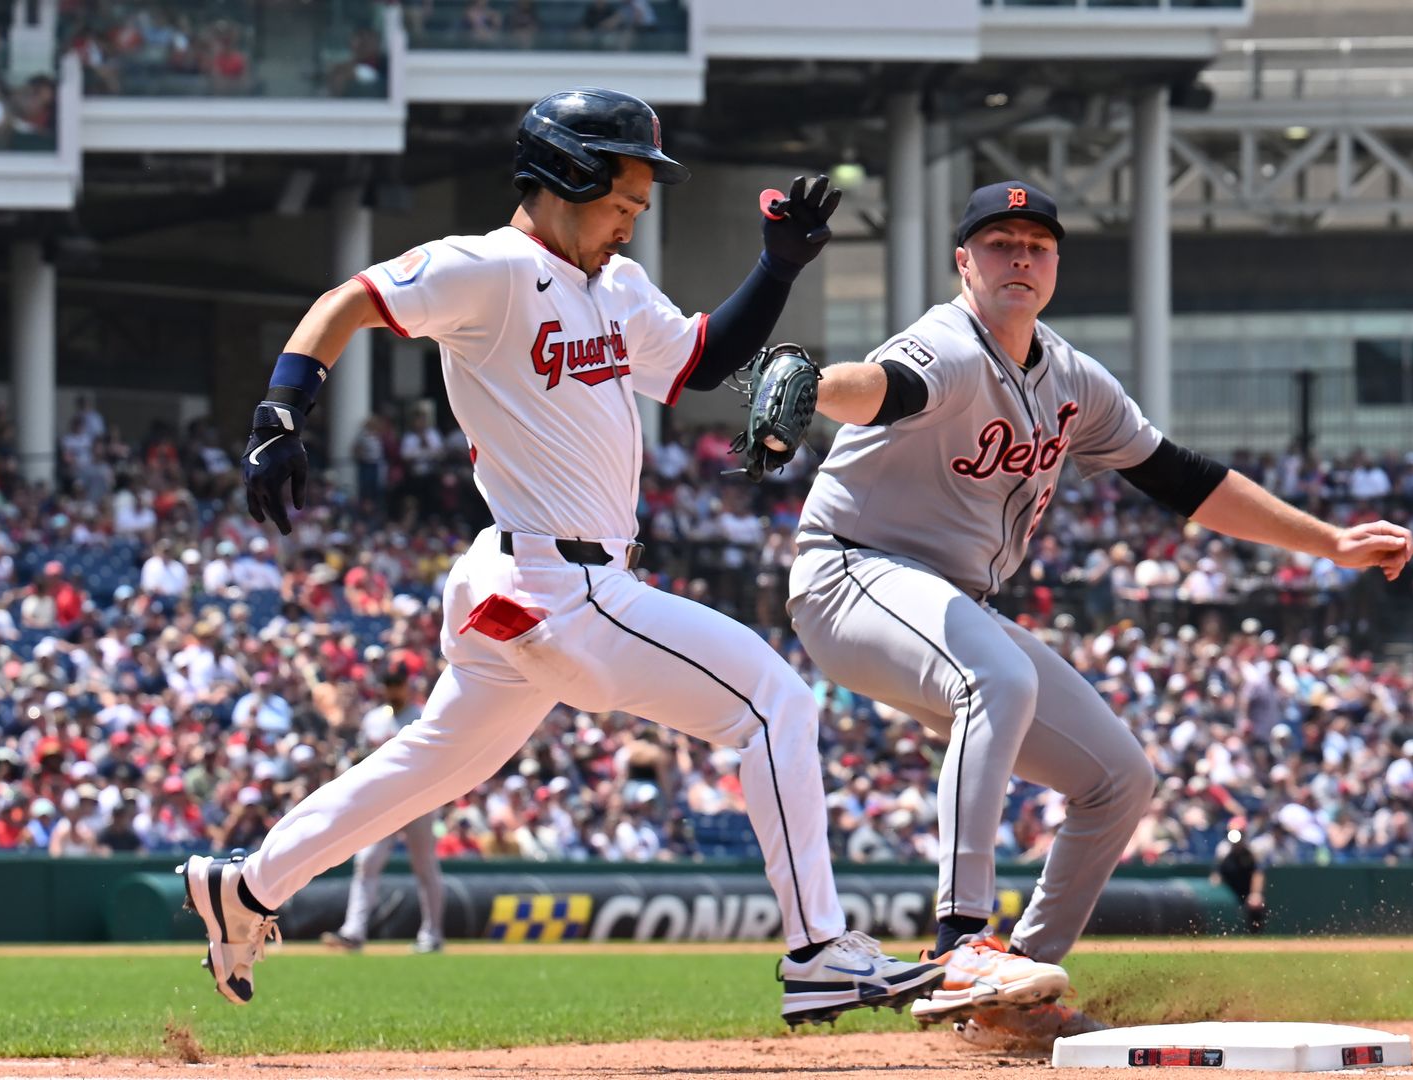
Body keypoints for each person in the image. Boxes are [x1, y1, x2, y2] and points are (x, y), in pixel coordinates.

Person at [180, 87, 940, 1026]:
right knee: (773, 702)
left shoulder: (613, 287)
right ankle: (821, 949)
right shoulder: (489, 268)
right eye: (622, 200)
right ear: (568, 176)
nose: (631, 221)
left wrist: (777, 268)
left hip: (535, 583)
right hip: (556, 581)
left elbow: (698, 362)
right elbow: (352, 301)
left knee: (432, 768)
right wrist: (280, 413)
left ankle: (249, 888)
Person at [783, 180, 1413, 1042]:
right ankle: (963, 941)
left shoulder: (1072, 376)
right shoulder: (949, 345)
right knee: (995, 672)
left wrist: (1330, 544)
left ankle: (1006, 1004)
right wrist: (815, 385)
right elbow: (884, 389)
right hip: (849, 575)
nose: (1020, 258)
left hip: (946, 603)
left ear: (1055, 268)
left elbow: (1184, 480)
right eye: (1000, 242)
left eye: (1037, 245)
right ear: (963, 261)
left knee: (1120, 780)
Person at [320, 671, 448, 954]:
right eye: (388, 686)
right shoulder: (375, 718)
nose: (393, 691)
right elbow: (363, 755)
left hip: (418, 798)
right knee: (366, 862)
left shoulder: (424, 713)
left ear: (407, 686)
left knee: (424, 865)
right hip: (384, 802)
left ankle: (433, 934)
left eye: (397, 686)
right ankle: (353, 932)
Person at [1210, 817, 1268, 934]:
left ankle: (1254, 938)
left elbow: (1258, 873)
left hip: (1246, 890)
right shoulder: (1223, 850)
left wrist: (1255, 893)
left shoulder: (1252, 850)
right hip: (1229, 891)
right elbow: (1216, 875)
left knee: (1256, 905)